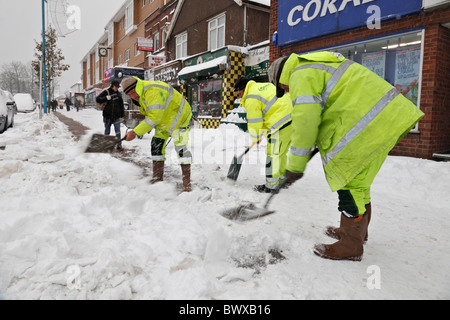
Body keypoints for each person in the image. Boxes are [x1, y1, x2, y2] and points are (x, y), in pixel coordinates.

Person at [269, 51, 424, 261]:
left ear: (281, 78)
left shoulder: (300, 74)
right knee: (360, 181)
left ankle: (351, 244)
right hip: (387, 118)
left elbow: (305, 120)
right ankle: (358, 232)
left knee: (348, 180)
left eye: (283, 88)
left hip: (369, 125)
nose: (287, 91)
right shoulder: (317, 66)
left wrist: (295, 164)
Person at [121, 76, 193, 192]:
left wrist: (135, 132)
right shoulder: (142, 94)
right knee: (156, 144)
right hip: (164, 119)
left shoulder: (151, 91)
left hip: (180, 116)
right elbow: (151, 114)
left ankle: (187, 184)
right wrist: (149, 125)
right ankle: (157, 179)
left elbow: (154, 117)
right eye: (129, 95)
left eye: (133, 92)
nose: (133, 96)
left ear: (137, 87)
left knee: (181, 148)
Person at [234, 77, 293, 193]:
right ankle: (281, 180)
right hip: (292, 119)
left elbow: (254, 122)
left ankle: (271, 186)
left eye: (239, 92)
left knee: (272, 154)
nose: (239, 96)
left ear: (243, 88)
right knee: (280, 153)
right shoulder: (264, 86)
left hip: (279, 124)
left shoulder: (251, 97)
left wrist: (255, 137)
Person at [96, 79, 125, 151]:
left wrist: (122, 114)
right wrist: (106, 98)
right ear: (112, 86)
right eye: (116, 86)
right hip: (107, 116)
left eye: (118, 87)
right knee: (107, 131)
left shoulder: (118, 94)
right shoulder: (106, 92)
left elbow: (121, 105)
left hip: (116, 117)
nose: (117, 88)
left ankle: (119, 145)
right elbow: (98, 99)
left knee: (118, 131)